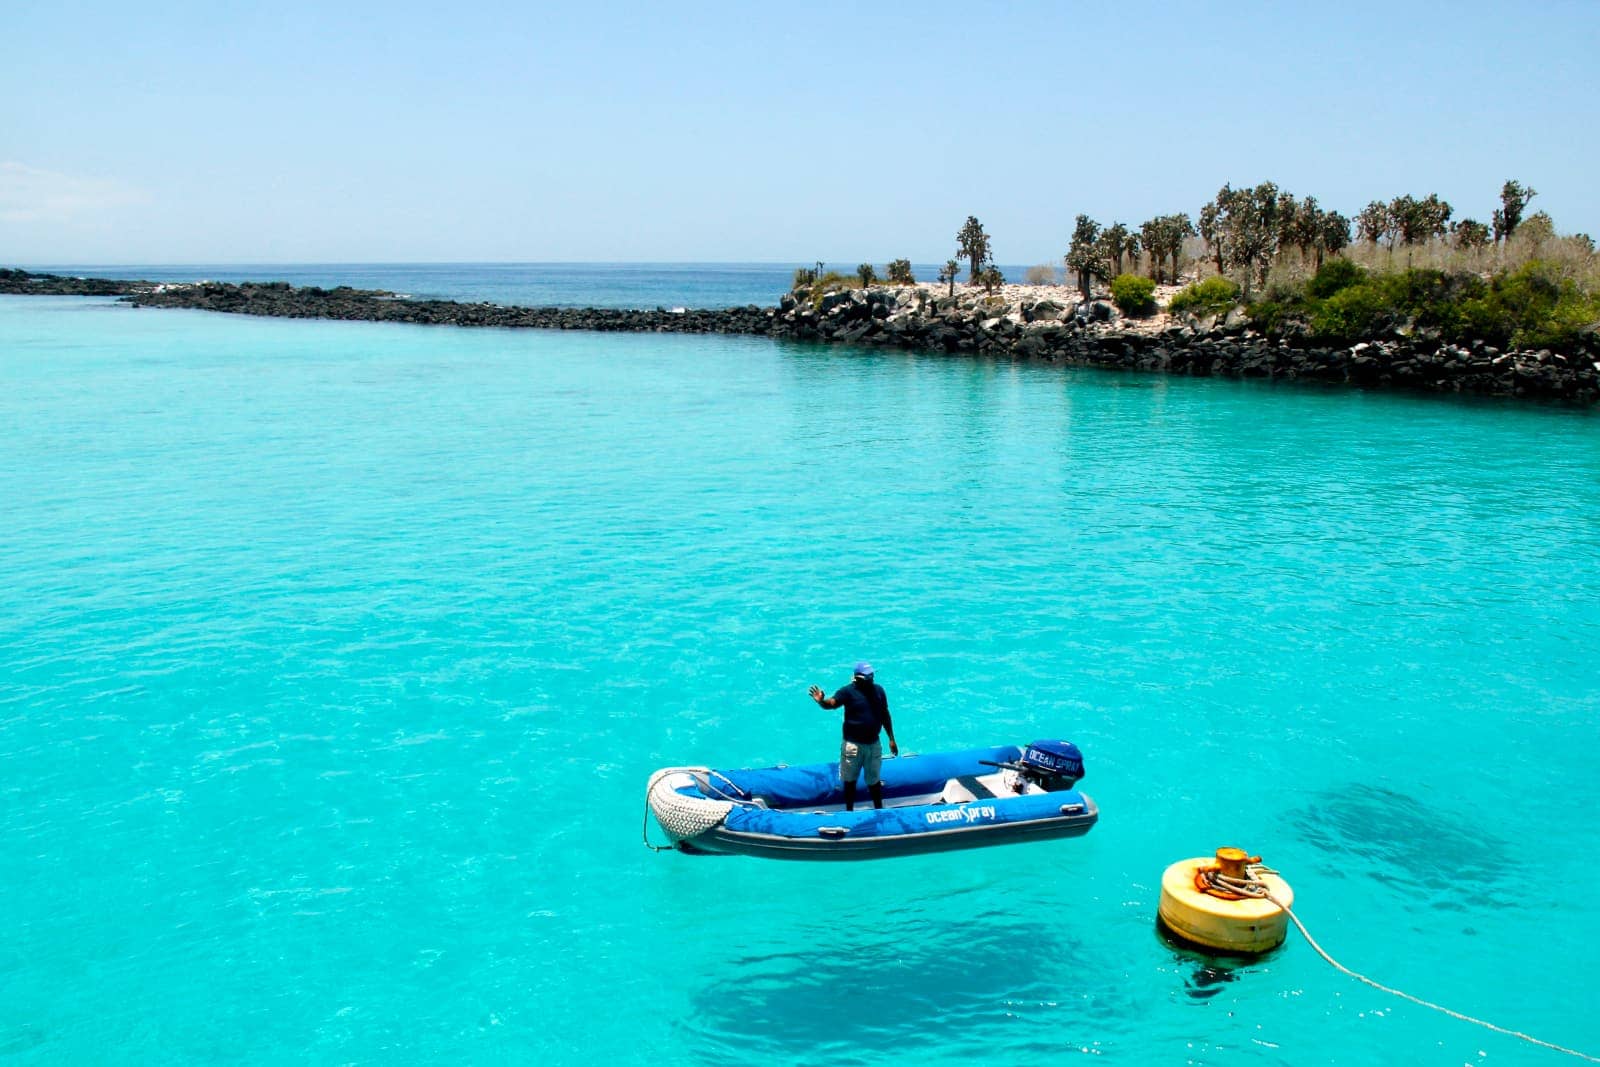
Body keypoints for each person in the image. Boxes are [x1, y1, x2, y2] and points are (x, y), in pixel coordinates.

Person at [808, 662, 898, 811]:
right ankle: (849, 811)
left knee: (874, 782)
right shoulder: (847, 692)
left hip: (873, 744)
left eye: (872, 675)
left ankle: (879, 810)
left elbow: (885, 715)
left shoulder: (879, 691)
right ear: (858, 678)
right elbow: (832, 703)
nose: (871, 678)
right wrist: (822, 701)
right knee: (850, 782)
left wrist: (891, 739)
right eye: (868, 676)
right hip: (853, 746)